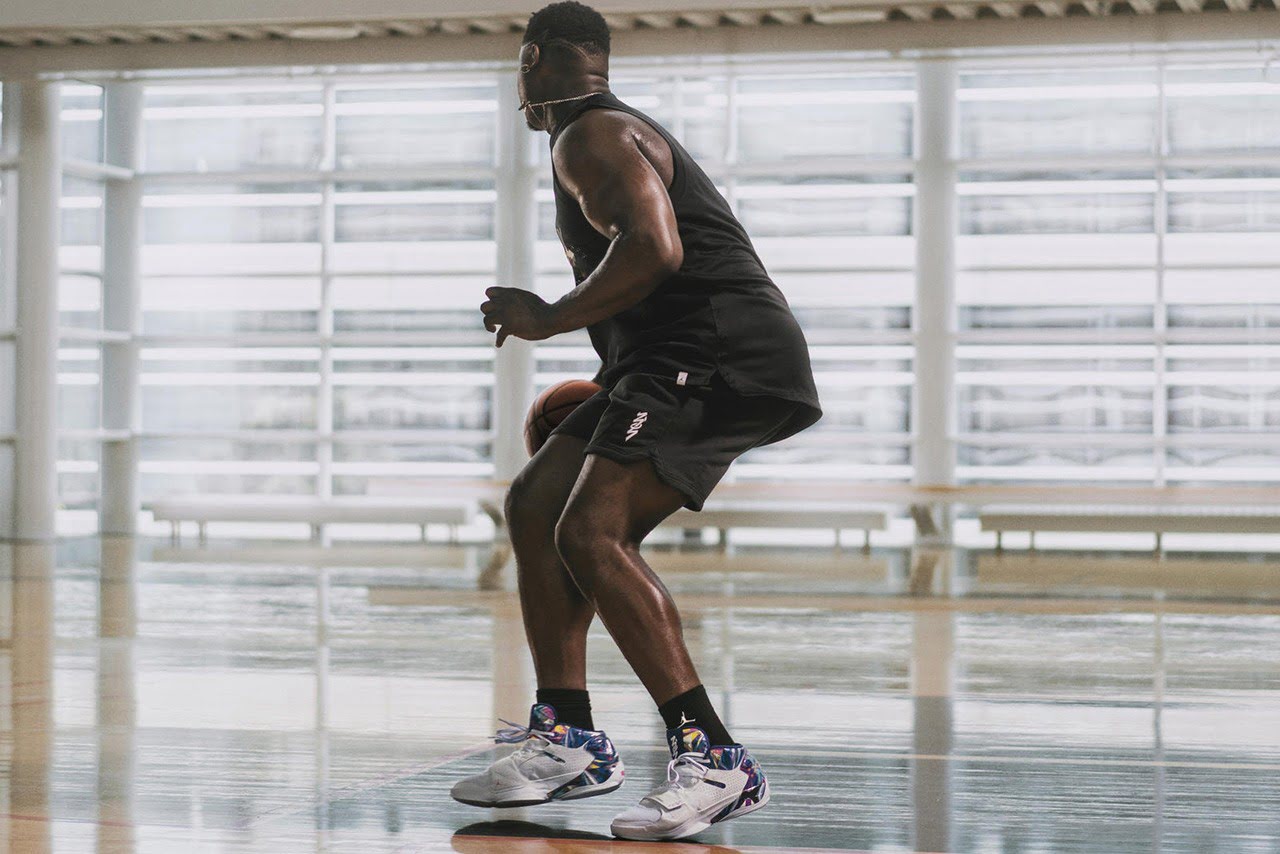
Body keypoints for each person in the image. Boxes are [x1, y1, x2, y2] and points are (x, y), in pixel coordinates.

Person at [450, 1, 822, 841]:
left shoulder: (592, 135)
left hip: (718, 352)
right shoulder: (593, 135)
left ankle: (716, 759)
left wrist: (549, 316)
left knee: (591, 531)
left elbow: (656, 248)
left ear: (532, 60)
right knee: (535, 504)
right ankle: (569, 737)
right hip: (659, 360)